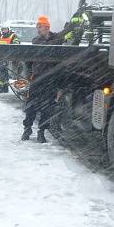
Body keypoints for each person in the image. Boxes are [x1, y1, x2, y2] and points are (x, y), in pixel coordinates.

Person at [21, 15, 71, 143]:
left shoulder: (56, 38)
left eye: (40, 26)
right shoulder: (36, 40)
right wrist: (64, 34)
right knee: (31, 105)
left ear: (47, 27)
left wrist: (69, 28)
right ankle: (27, 129)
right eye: (37, 27)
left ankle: (41, 131)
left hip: (51, 79)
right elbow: (48, 45)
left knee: (47, 107)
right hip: (37, 78)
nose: (38, 29)